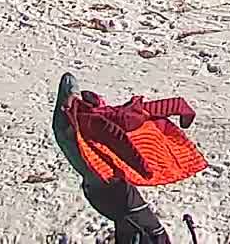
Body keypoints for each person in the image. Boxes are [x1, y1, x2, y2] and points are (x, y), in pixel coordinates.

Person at [52, 74, 204, 244]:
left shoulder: (61, 125)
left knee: (129, 231)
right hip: (115, 191)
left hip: (95, 191)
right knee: (154, 234)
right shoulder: (89, 120)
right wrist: (142, 167)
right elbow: (118, 139)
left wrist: (179, 106)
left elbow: (68, 83)